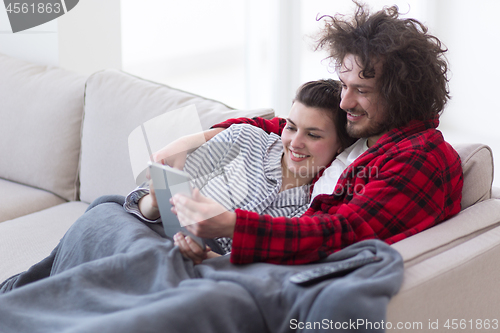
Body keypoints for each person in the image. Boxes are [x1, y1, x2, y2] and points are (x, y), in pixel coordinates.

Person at [167, 1, 463, 265]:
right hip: (265, 259)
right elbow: (285, 126)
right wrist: (193, 140)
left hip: (297, 278)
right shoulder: (369, 131)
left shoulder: (419, 159)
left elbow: (342, 233)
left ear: (400, 94)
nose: (344, 101)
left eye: (361, 90)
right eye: (344, 85)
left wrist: (233, 226)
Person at [124, 79, 355, 263]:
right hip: (150, 229)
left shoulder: (315, 209)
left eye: (313, 135)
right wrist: (155, 202)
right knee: (105, 218)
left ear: (340, 145)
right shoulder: (244, 139)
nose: (295, 142)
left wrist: (205, 257)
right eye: (291, 127)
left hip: (199, 267)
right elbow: (142, 202)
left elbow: (266, 271)